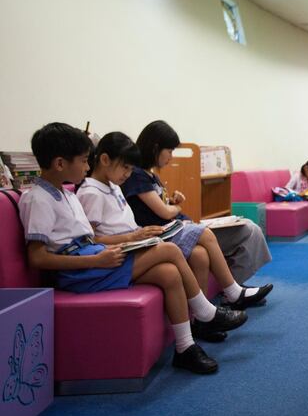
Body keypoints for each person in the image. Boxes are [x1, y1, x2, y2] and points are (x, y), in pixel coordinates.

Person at [19, 123, 245, 374]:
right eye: (84, 161)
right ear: (60, 163)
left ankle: (185, 347)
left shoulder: (67, 194)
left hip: (91, 259)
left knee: (169, 273)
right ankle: (206, 311)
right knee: (168, 250)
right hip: (80, 270)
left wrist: (125, 243)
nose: (86, 167)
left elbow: (90, 239)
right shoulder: (38, 198)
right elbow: (37, 257)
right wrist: (96, 260)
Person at [77, 132, 271, 342]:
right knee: (191, 240)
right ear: (104, 160)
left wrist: (139, 234)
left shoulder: (113, 186)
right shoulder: (92, 192)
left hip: (133, 243)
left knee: (197, 257)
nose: (127, 174)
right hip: (121, 250)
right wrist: (135, 236)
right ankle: (220, 302)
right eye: (125, 167)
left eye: (131, 169)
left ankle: (191, 337)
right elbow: (91, 240)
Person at [121, 121, 272, 288]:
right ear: (155, 148)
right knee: (249, 230)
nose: (171, 157)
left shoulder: (150, 174)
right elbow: (164, 212)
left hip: (181, 226)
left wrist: (172, 201)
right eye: (169, 151)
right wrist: (176, 207)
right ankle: (233, 290)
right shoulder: (137, 175)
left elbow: (159, 206)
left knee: (250, 227)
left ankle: (235, 285)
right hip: (171, 232)